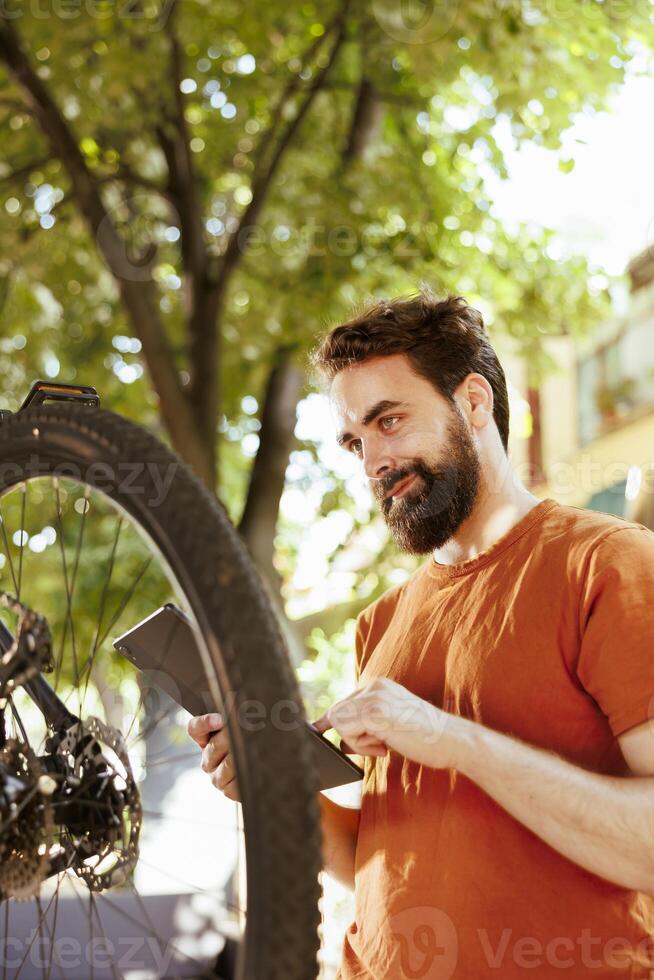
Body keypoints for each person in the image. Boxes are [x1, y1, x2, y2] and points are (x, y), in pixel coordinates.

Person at [188, 289, 654, 979]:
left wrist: (449, 738)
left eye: (390, 420)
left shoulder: (608, 563)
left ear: (473, 402)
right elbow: (376, 857)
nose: (372, 461)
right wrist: (273, 784)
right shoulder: (381, 623)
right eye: (356, 441)